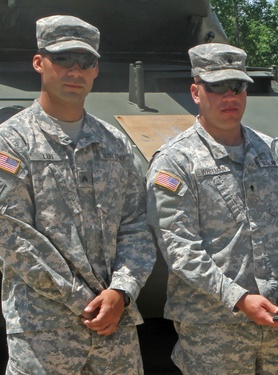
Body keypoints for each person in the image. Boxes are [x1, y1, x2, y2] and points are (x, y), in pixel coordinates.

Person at [0, 15, 156, 374]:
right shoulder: (11, 142)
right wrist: (84, 301)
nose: (75, 70)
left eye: (85, 62)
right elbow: (13, 237)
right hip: (44, 335)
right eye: (63, 59)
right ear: (39, 62)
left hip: (115, 333)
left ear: (96, 69)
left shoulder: (114, 143)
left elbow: (137, 225)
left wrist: (121, 291)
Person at [146, 43, 278, 375]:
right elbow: (180, 249)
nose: (229, 96)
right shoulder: (175, 161)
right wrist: (239, 298)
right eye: (216, 87)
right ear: (196, 91)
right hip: (214, 326)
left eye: (237, 87)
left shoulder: (272, 151)